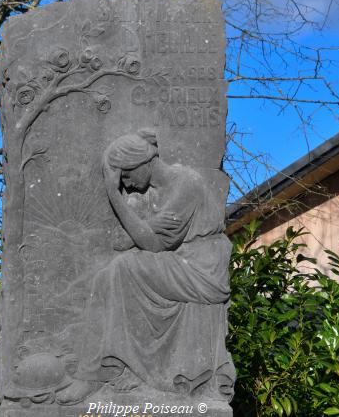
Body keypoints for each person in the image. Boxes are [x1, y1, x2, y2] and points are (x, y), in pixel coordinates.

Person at [57, 128, 235, 404]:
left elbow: (153, 243)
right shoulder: (153, 192)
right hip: (181, 261)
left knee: (121, 269)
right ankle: (105, 369)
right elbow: (126, 239)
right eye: (120, 182)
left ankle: (91, 375)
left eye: (125, 177)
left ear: (143, 163)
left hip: (202, 268)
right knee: (107, 275)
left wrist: (112, 194)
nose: (125, 185)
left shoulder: (186, 183)